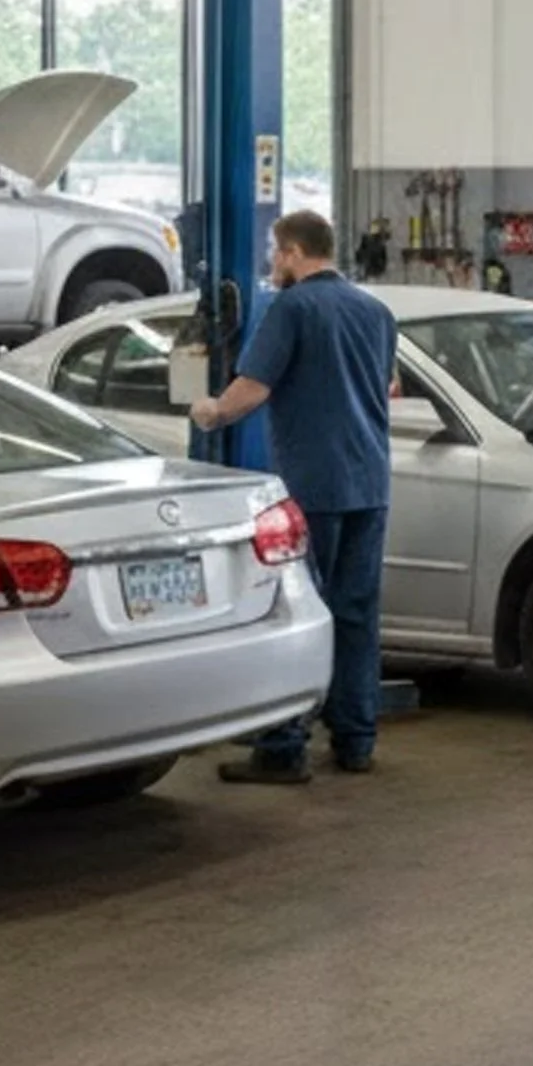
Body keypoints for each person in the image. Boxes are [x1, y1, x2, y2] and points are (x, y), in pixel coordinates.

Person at [192, 209, 400, 783]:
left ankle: (283, 748)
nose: (271, 264)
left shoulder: (292, 308)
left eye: (274, 253)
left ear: (291, 252)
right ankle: (356, 740)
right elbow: (386, 387)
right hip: (370, 483)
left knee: (294, 613)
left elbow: (250, 390)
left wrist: (208, 412)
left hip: (313, 483)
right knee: (357, 614)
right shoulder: (377, 313)